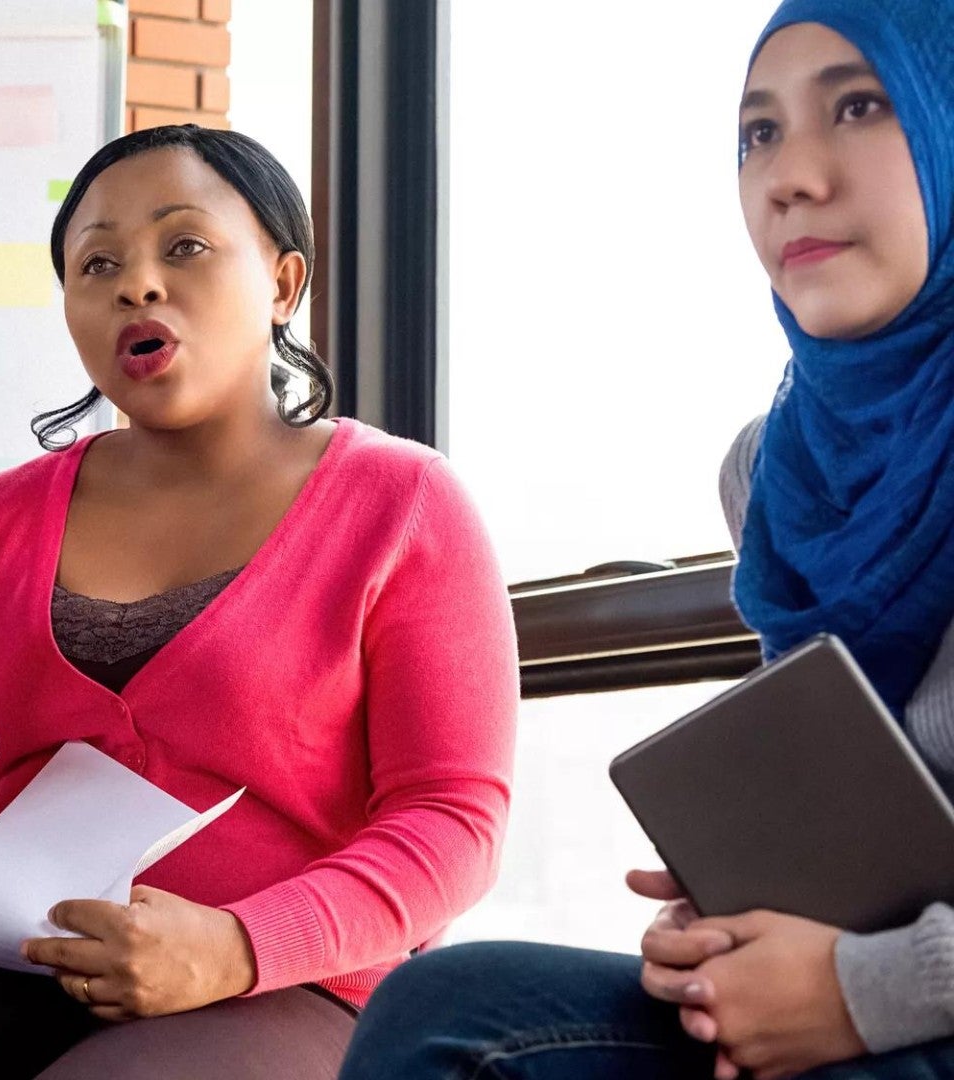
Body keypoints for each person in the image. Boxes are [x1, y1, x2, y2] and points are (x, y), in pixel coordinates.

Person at [0, 125, 519, 1080]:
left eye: (185, 245)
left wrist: (234, 945)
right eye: (97, 262)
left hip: (295, 986)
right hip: (19, 967)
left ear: (283, 284)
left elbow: (453, 823)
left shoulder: (402, 503)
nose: (137, 283)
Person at [337, 3, 954, 1078]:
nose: (791, 175)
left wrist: (862, 993)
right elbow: (856, 804)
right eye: (757, 132)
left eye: (859, 106)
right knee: (441, 1015)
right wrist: (740, 918)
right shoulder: (781, 470)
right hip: (871, 983)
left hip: (906, 1011)